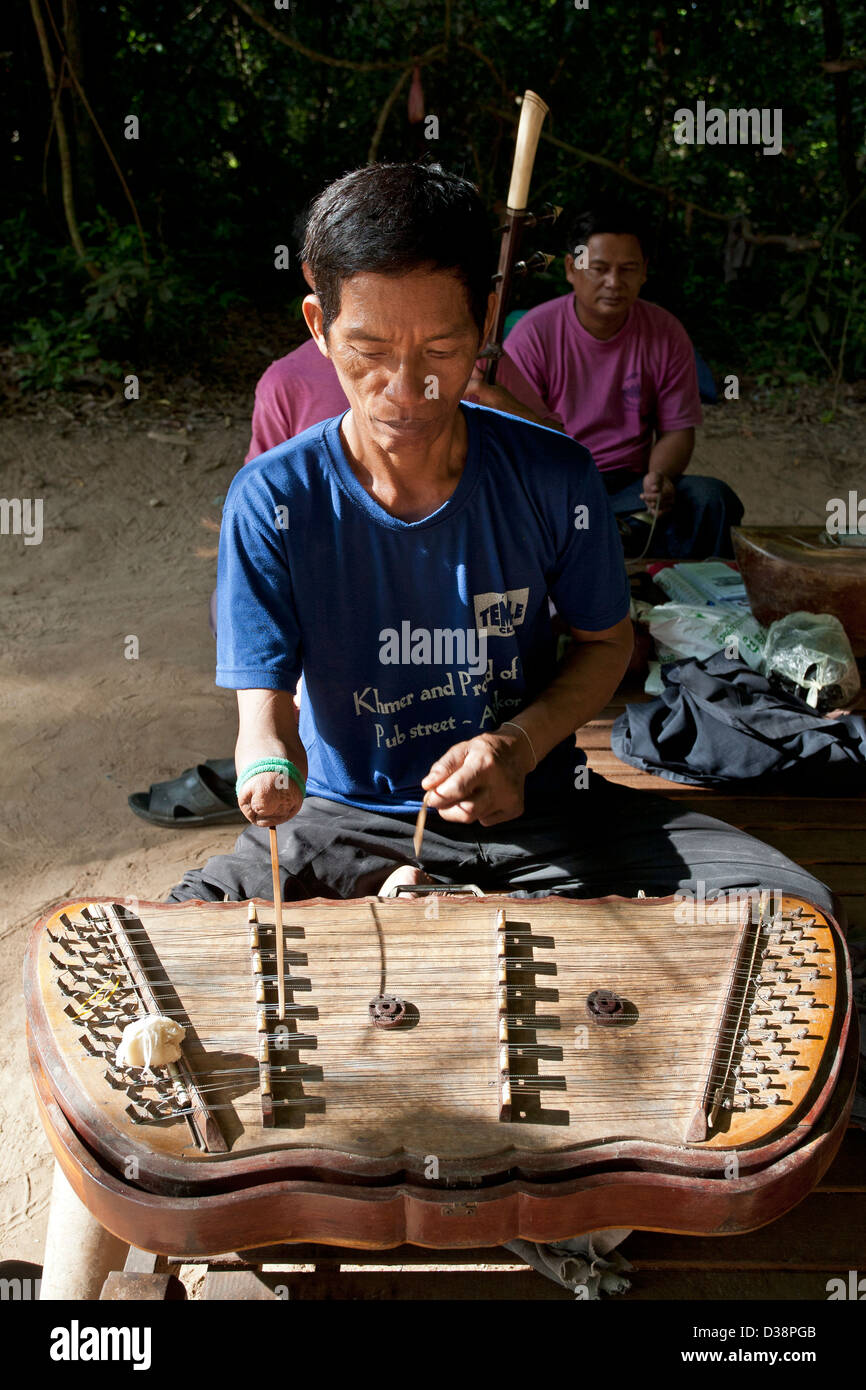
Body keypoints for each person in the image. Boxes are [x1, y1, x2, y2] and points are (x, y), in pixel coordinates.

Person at [167, 161, 830, 922]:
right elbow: (265, 703)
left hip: (543, 810)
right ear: (318, 326)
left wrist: (514, 748)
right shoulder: (273, 500)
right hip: (354, 821)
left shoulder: (554, 474)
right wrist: (269, 763)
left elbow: (605, 644)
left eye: (442, 349)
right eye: (370, 349)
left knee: (790, 907)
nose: (406, 387)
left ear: (485, 323)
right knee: (183, 928)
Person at [504, 202, 744, 559]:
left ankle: (690, 603)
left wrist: (658, 478)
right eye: (599, 269)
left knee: (711, 500)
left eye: (628, 269)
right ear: (572, 268)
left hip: (631, 487)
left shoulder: (665, 332)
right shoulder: (534, 334)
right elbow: (514, 437)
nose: (614, 283)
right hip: (562, 484)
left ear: (644, 271)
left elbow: (677, 430)